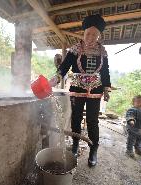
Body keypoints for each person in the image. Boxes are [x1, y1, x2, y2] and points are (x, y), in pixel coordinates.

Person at [49, 14, 111, 167]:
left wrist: (107, 89)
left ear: (99, 36)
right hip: (77, 89)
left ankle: (93, 149)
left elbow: (105, 72)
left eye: (95, 34)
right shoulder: (75, 49)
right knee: (76, 119)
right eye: (88, 33)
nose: (91, 37)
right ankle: (75, 145)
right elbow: (64, 67)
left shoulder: (102, 51)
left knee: (92, 121)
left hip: (95, 91)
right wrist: (56, 78)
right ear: (83, 33)